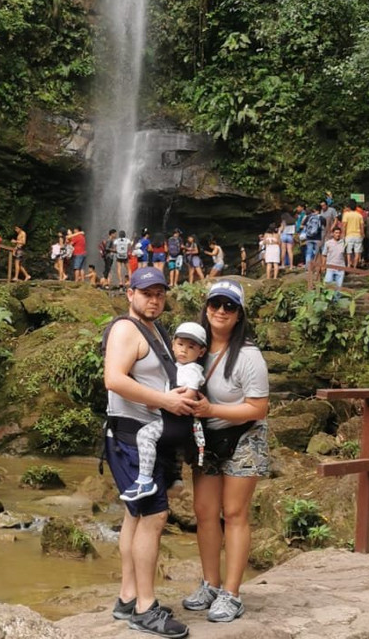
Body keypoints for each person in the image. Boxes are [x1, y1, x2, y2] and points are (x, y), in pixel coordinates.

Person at [104, 267, 195, 637]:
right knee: (154, 518)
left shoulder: (153, 329)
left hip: (145, 438)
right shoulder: (126, 329)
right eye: (147, 293)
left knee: (136, 515)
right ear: (130, 294)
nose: (154, 299)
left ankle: (128, 597)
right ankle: (145, 607)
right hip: (131, 438)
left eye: (159, 293)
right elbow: (114, 378)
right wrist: (166, 401)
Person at [183, 280, 269, 624]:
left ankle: (232, 593)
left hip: (243, 437)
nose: (221, 311)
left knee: (234, 513)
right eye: (215, 304)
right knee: (204, 512)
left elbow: (258, 408)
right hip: (207, 439)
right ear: (205, 307)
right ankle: (210, 583)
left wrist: (211, 411)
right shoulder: (193, 350)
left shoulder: (248, 356)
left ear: (239, 315)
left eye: (229, 306)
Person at [120, 321, 208, 502]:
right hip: (171, 417)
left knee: (145, 436)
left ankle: (144, 479)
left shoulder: (192, 370)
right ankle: (173, 479)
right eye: (180, 344)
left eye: (191, 347)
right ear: (173, 345)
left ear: (201, 352)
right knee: (164, 447)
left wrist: (162, 401)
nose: (184, 350)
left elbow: (189, 395)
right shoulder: (174, 368)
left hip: (176, 419)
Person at [322, 226, 346, 300]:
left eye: (339, 233)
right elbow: (324, 255)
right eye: (336, 233)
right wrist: (323, 265)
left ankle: (336, 302)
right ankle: (327, 300)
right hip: (330, 266)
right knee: (328, 283)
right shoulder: (328, 243)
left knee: (338, 287)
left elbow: (347, 255)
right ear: (332, 234)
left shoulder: (344, 243)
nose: (338, 234)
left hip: (341, 267)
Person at [341, 201, 365, 269]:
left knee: (349, 251)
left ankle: (348, 265)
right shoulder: (359, 215)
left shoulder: (346, 215)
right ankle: (355, 266)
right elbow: (362, 226)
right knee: (357, 252)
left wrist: (343, 234)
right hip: (358, 235)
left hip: (349, 235)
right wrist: (362, 234)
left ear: (349, 207)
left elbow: (344, 225)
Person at [300, 205, 324, 272]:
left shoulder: (308, 217)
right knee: (317, 254)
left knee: (308, 253)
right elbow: (324, 226)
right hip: (318, 238)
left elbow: (302, 225)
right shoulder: (321, 217)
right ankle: (317, 269)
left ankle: (308, 269)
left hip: (309, 238)